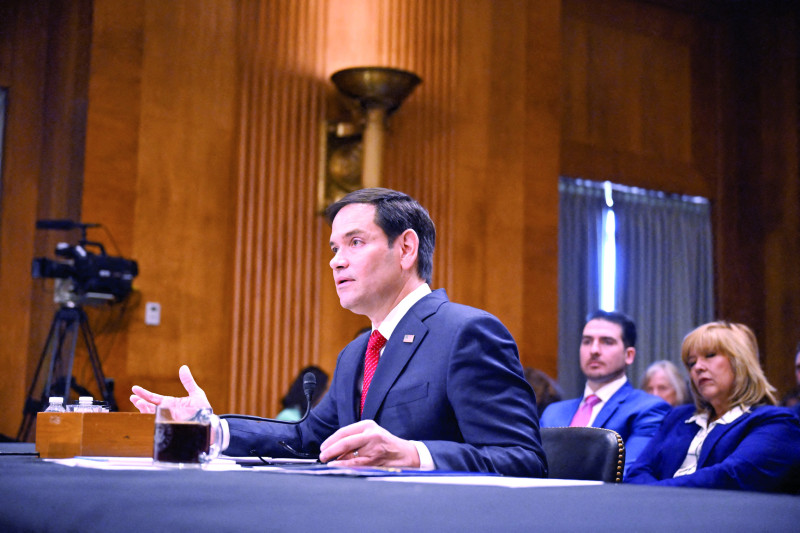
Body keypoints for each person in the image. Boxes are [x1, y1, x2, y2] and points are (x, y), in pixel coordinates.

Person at [131, 188, 547, 477]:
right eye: (334, 248)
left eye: (355, 242)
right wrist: (211, 428)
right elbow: (307, 439)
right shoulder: (357, 352)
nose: (335, 261)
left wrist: (413, 454)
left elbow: (523, 460)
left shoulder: (466, 333)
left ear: (405, 249)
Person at [626, 321, 800, 492]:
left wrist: (651, 494)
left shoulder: (777, 422)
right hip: (652, 513)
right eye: (691, 362)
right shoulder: (677, 417)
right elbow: (637, 472)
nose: (698, 368)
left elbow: (730, 477)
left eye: (709, 355)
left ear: (739, 362)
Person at [540, 310, 670, 474]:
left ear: (629, 355)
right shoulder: (553, 413)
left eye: (607, 342)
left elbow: (627, 473)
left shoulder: (649, 409)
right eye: (587, 341)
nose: (594, 350)